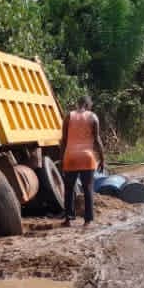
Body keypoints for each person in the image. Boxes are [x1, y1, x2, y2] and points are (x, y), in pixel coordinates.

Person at [59, 96, 105, 227]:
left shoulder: (69, 116)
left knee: (68, 189)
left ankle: (68, 218)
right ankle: (88, 220)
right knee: (88, 188)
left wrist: (62, 159)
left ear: (78, 104)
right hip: (87, 157)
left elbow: (64, 140)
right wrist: (102, 158)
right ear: (87, 104)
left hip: (71, 156)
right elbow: (97, 140)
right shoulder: (93, 117)